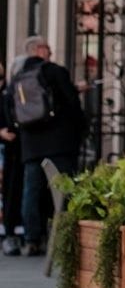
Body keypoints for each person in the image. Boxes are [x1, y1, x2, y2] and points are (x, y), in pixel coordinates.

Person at [2, 40, 86, 255]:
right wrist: (81, 132)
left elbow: (12, 113)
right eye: (47, 48)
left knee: (31, 191)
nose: (50, 51)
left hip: (31, 146)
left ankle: (31, 239)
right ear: (39, 51)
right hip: (60, 143)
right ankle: (66, 238)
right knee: (65, 189)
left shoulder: (17, 80)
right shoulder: (55, 72)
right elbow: (73, 104)